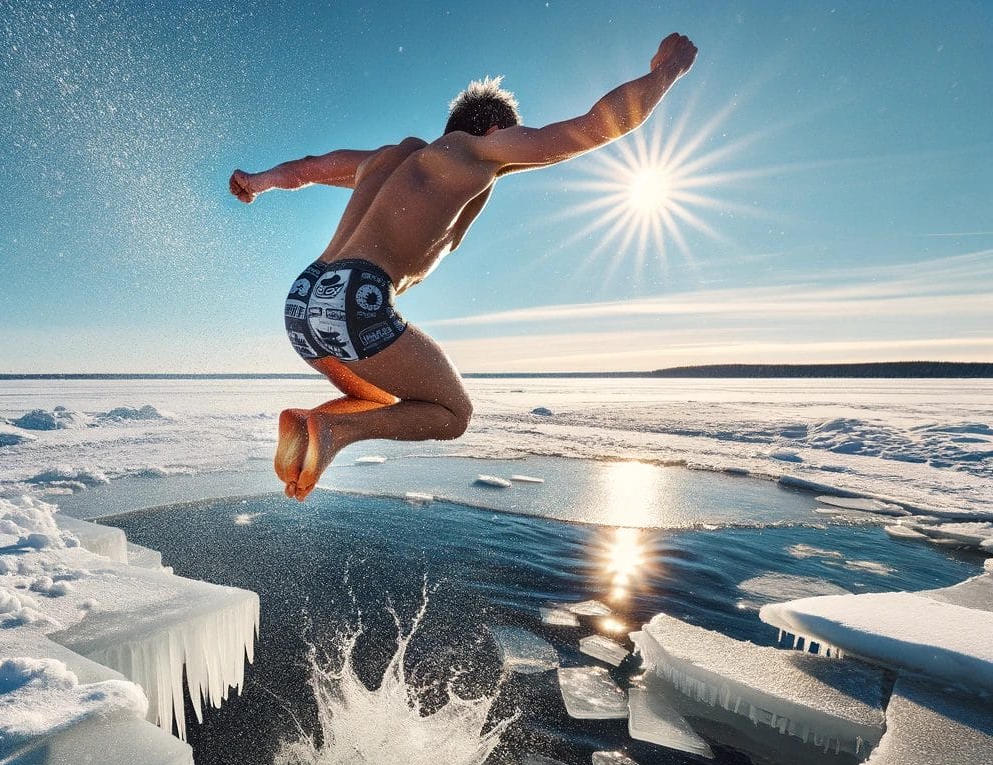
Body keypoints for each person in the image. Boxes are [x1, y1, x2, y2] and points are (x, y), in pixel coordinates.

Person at [230, 32, 697, 501]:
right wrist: (669, 69)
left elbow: (311, 167)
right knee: (453, 413)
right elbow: (594, 126)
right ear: (495, 129)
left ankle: (309, 429)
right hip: (357, 294)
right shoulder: (474, 150)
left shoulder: (386, 159)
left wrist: (259, 181)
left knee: (383, 400)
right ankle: (331, 431)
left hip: (303, 299)